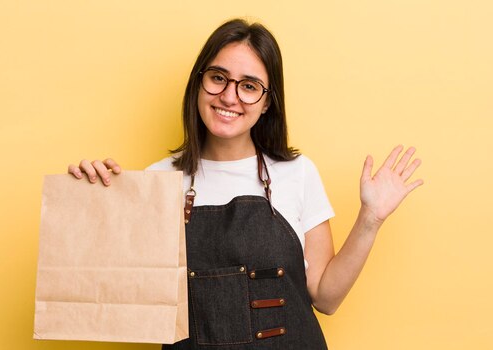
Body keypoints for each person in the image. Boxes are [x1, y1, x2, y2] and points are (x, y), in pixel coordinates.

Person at [67, 19, 423, 350]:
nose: (229, 96)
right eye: (218, 78)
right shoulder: (156, 182)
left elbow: (326, 298)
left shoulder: (297, 173)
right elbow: (124, 299)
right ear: (199, 82)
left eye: (249, 86)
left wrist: (370, 219)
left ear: (267, 102)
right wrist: (94, 203)